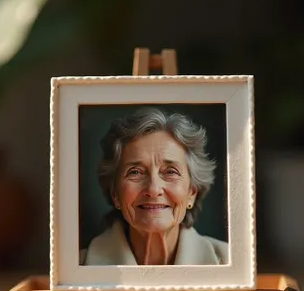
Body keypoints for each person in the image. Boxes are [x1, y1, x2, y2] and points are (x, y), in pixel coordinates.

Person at [82, 107, 228, 266]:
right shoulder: (75, 268)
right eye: (135, 172)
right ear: (115, 194)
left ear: (192, 192)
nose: (153, 189)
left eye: (170, 172)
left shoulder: (232, 263)